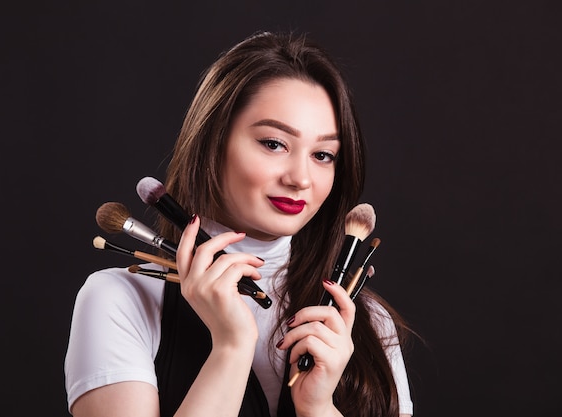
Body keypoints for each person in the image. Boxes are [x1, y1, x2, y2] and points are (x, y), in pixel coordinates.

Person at [64, 31, 414, 417]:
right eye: (274, 143)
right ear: (213, 141)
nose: (300, 178)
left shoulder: (365, 321)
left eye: (323, 154)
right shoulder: (121, 300)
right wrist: (231, 347)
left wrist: (317, 407)